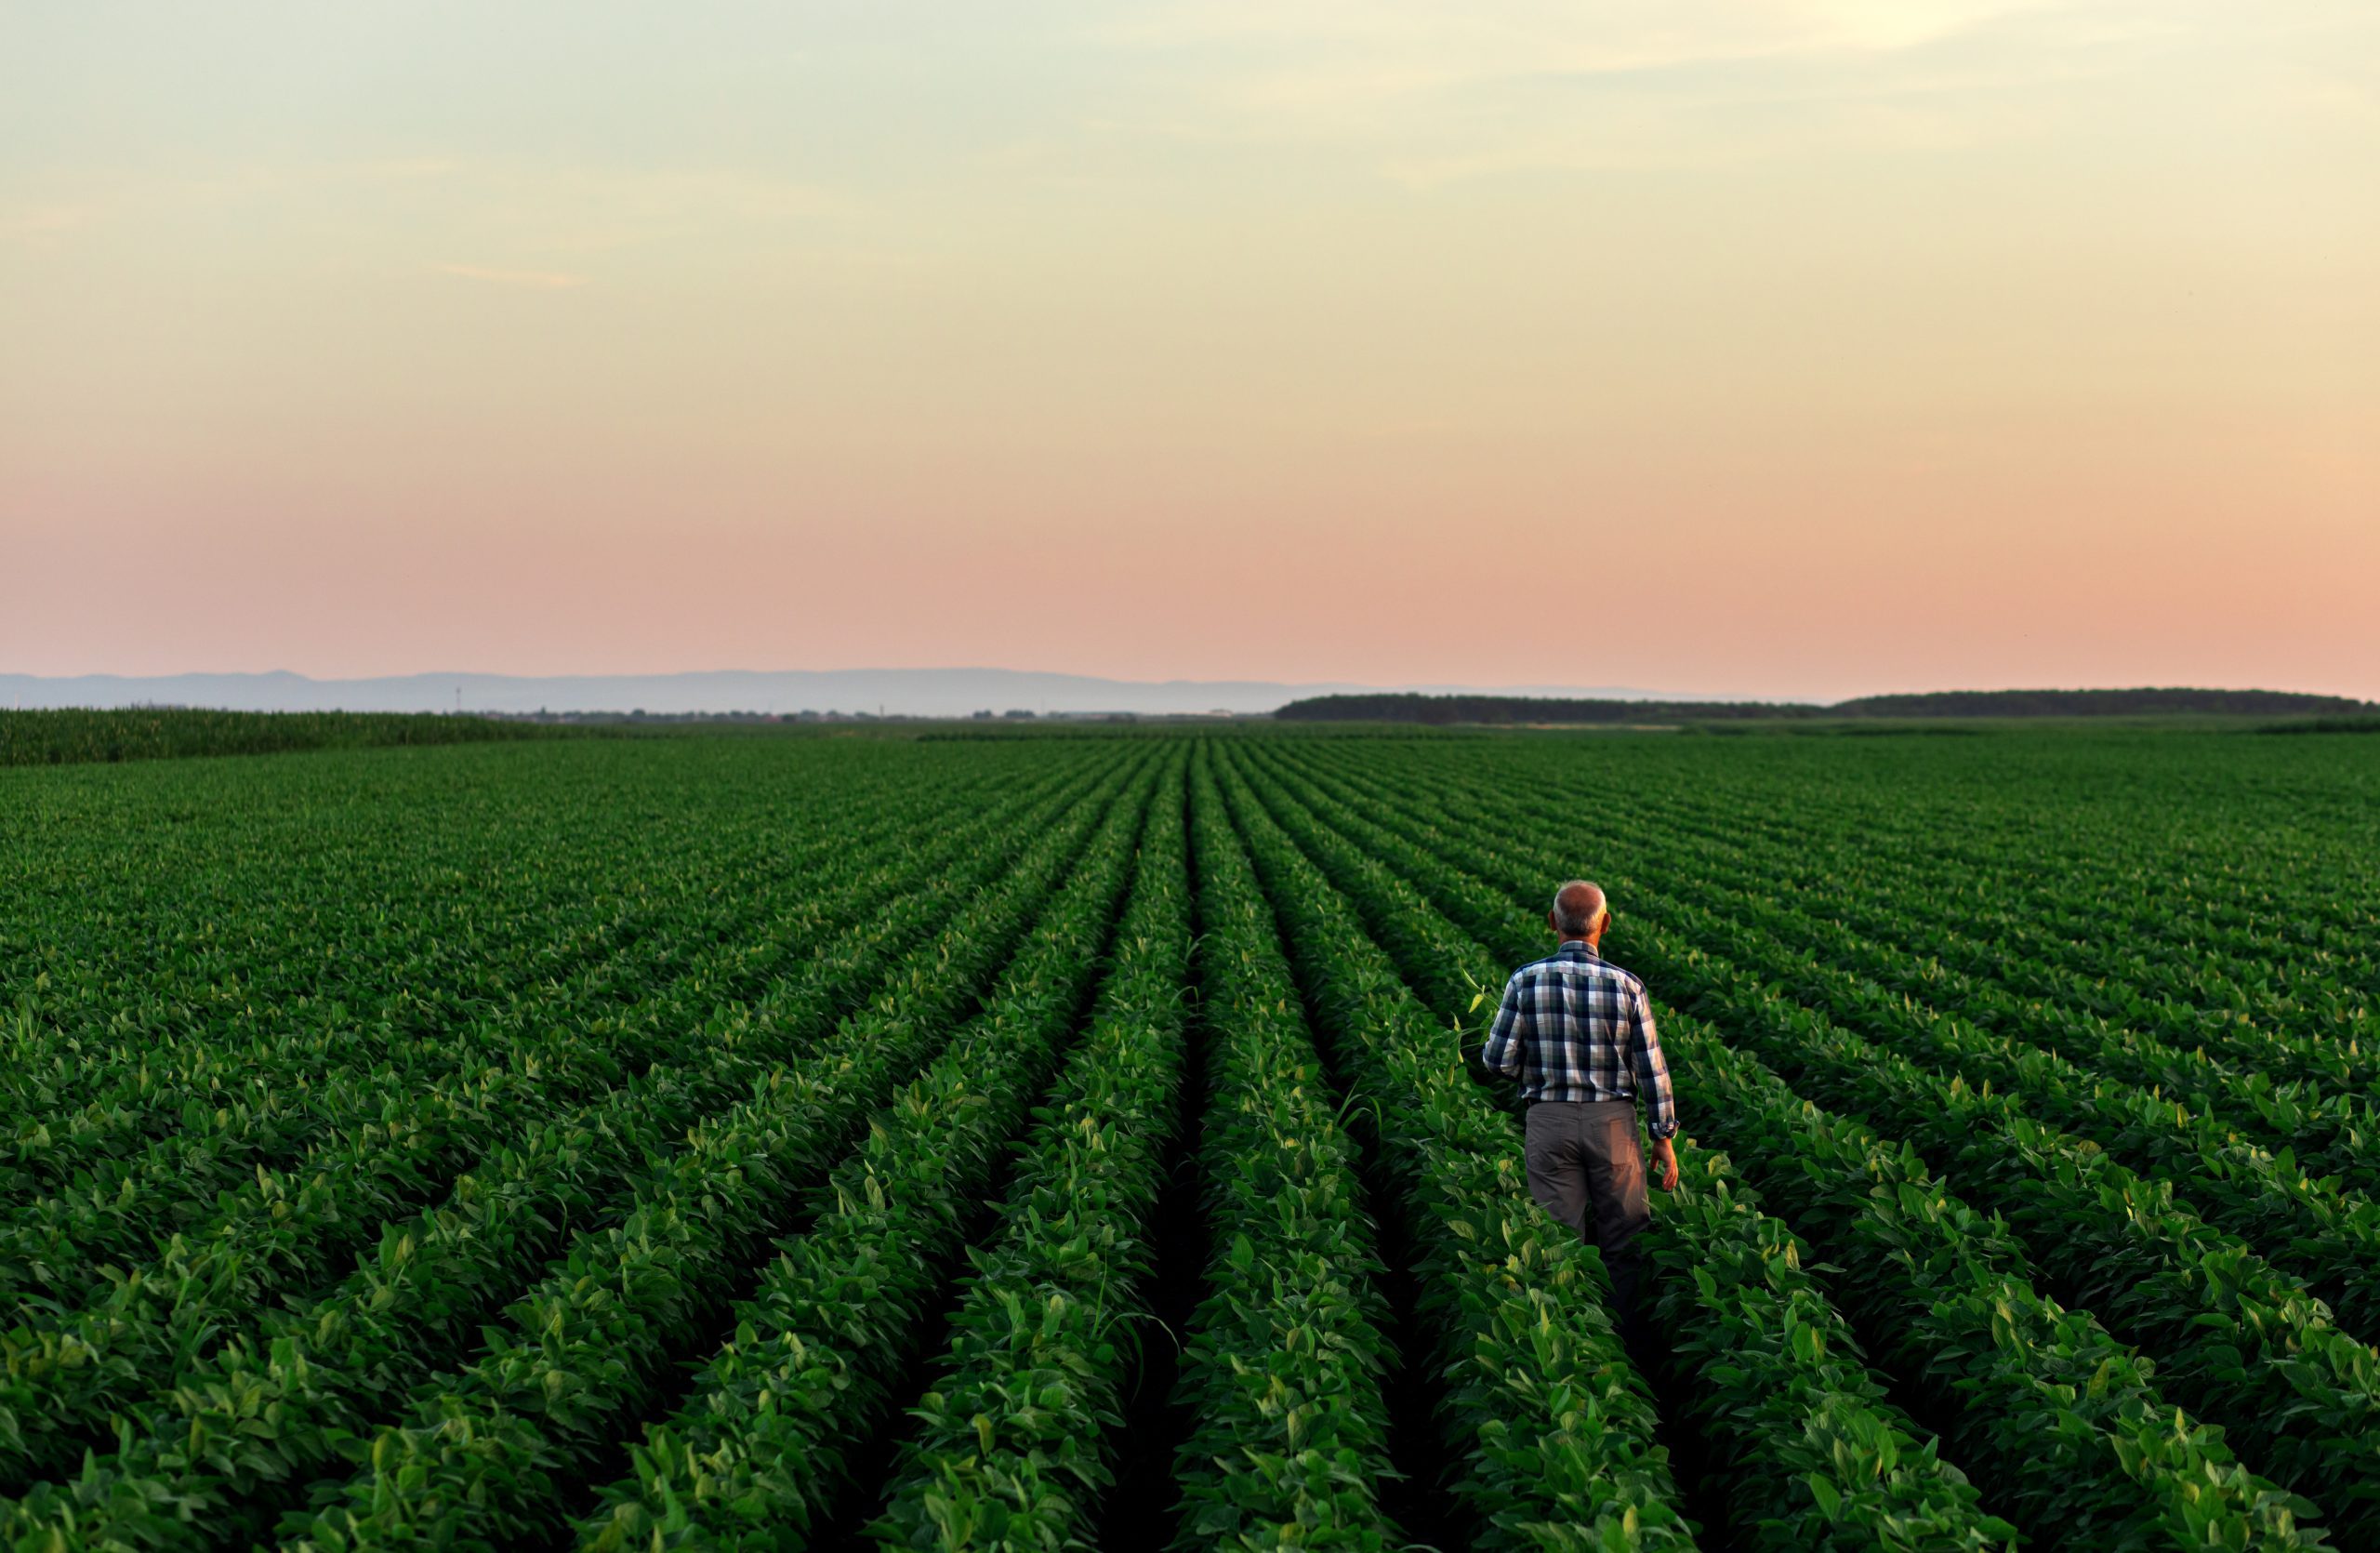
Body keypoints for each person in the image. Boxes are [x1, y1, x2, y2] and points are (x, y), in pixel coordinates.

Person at [1467, 880, 1679, 1340]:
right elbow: (1652, 1070)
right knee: (1625, 1243)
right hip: (1613, 1127)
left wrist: (1537, 1065)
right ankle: (1624, 1347)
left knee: (1559, 1240)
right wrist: (1662, 1137)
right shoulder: (1628, 987)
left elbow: (1497, 1061)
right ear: (1604, 924)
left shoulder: (1525, 980)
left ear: (1552, 924)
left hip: (1549, 1120)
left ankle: (1567, 1340)